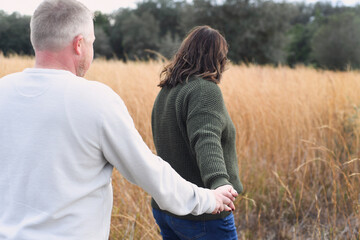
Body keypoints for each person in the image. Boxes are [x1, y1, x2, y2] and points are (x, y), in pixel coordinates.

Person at [0, 1, 238, 239]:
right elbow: (149, 172)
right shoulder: (95, 100)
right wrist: (208, 199)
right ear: (79, 44)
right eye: (92, 43)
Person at [151, 25, 244, 239]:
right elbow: (206, 138)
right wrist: (219, 182)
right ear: (218, 58)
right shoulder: (204, 90)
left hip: (166, 207)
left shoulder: (167, 91)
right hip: (201, 211)